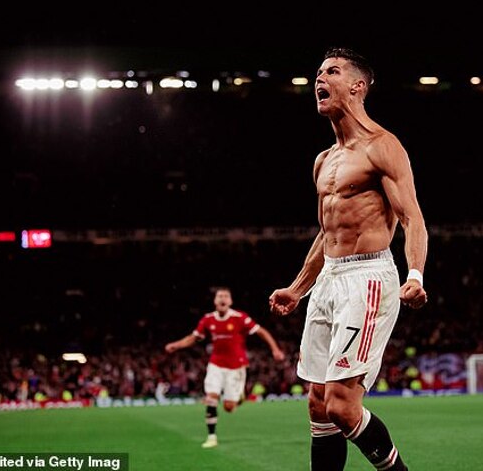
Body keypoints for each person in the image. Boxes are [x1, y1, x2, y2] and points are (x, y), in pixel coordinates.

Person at [269, 47, 428, 471]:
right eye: (318, 72)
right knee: (318, 403)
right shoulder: (324, 160)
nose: (319, 79)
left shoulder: (383, 146)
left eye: (332, 72)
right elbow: (328, 234)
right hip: (329, 280)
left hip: (368, 277)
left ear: (358, 86)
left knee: (342, 405)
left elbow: (412, 219)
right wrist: (297, 288)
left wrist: (415, 274)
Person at [165, 286, 286, 448]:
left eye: (225, 296)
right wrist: (176, 345)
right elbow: (193, 338)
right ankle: (211, 437)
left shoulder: (239, 317)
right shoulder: (208, 319)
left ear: (230, 301)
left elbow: (261, 331)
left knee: (229, 407)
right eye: (219, 296)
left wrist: (275, 349)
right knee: (211, 397)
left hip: (236, 367)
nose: (222, 299)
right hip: (215, 364)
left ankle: (239, 396)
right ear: (215, 301)